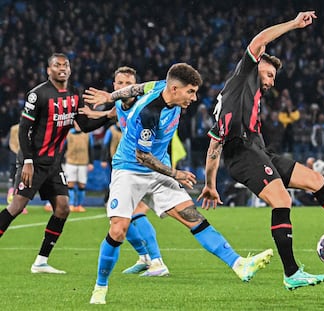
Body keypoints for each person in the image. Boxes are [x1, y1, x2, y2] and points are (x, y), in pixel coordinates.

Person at [197, 11, 324, 290]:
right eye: (268, 73)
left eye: (273, 76)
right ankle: (291, 273)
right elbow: (257, 42)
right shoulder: (243, 77)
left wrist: (210, 184)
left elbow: (213, 142)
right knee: (282, 201)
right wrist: (293, 24)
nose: (271, 80)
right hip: (242, 153)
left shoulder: (248, 93)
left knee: (316, 181)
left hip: (258, 151)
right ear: (256, 65)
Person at [83, 63, 273, 304]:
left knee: (193, 217)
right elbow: (142, 156)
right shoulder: (149, 113)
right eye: (190, 92)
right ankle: (100, 287)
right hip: (129, 170)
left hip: (159, 169)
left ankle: (239, 264)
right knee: (118, 230)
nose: (194, 98)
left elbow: (137, 88)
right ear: (175, 89)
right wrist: (175, 173)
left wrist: (110, 96)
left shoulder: (161, 86)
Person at [0, 53, 112, 274]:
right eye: (57, 65)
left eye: (65, 65)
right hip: (33, 161)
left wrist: (108, 115)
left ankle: (41, 261)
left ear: (70, 69)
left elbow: (85, 125)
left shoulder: (74, 95)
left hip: (53, 163)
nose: (62, 68)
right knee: (17, 207)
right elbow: (24, 129)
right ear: (48, 70)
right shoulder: (38, 95)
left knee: (62, 208)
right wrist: (28, 161)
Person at [99, 66, 168, 276]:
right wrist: (92, 113)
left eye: (129, 85)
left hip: (146, 166)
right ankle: (145, 257)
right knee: (117, 215)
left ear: (137, 88)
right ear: (114, 86)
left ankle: (157, 262)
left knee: (135, 211)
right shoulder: (120, 104)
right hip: (129, 165)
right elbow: (112, 113)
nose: (123, 88)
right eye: (120, 84)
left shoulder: (144, 106)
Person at [64, 121, 95, 212]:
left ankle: (79, 205)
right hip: (70, 162)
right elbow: (63, 148)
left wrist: (91, 162)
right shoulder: (69, 134)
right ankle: (71, 204)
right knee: (70, 184)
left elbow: (90, 148)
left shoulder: (87, 134)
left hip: (83, 162)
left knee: (82, 184)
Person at [6, 123, 28, 214]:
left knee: (22, 182)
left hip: (25, 159)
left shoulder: (30, 127)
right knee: (14, 181)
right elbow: (11, 143)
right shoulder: (14, 128)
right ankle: (12, 202)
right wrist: (19, 154)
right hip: (15, 159)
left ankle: (20, 205)